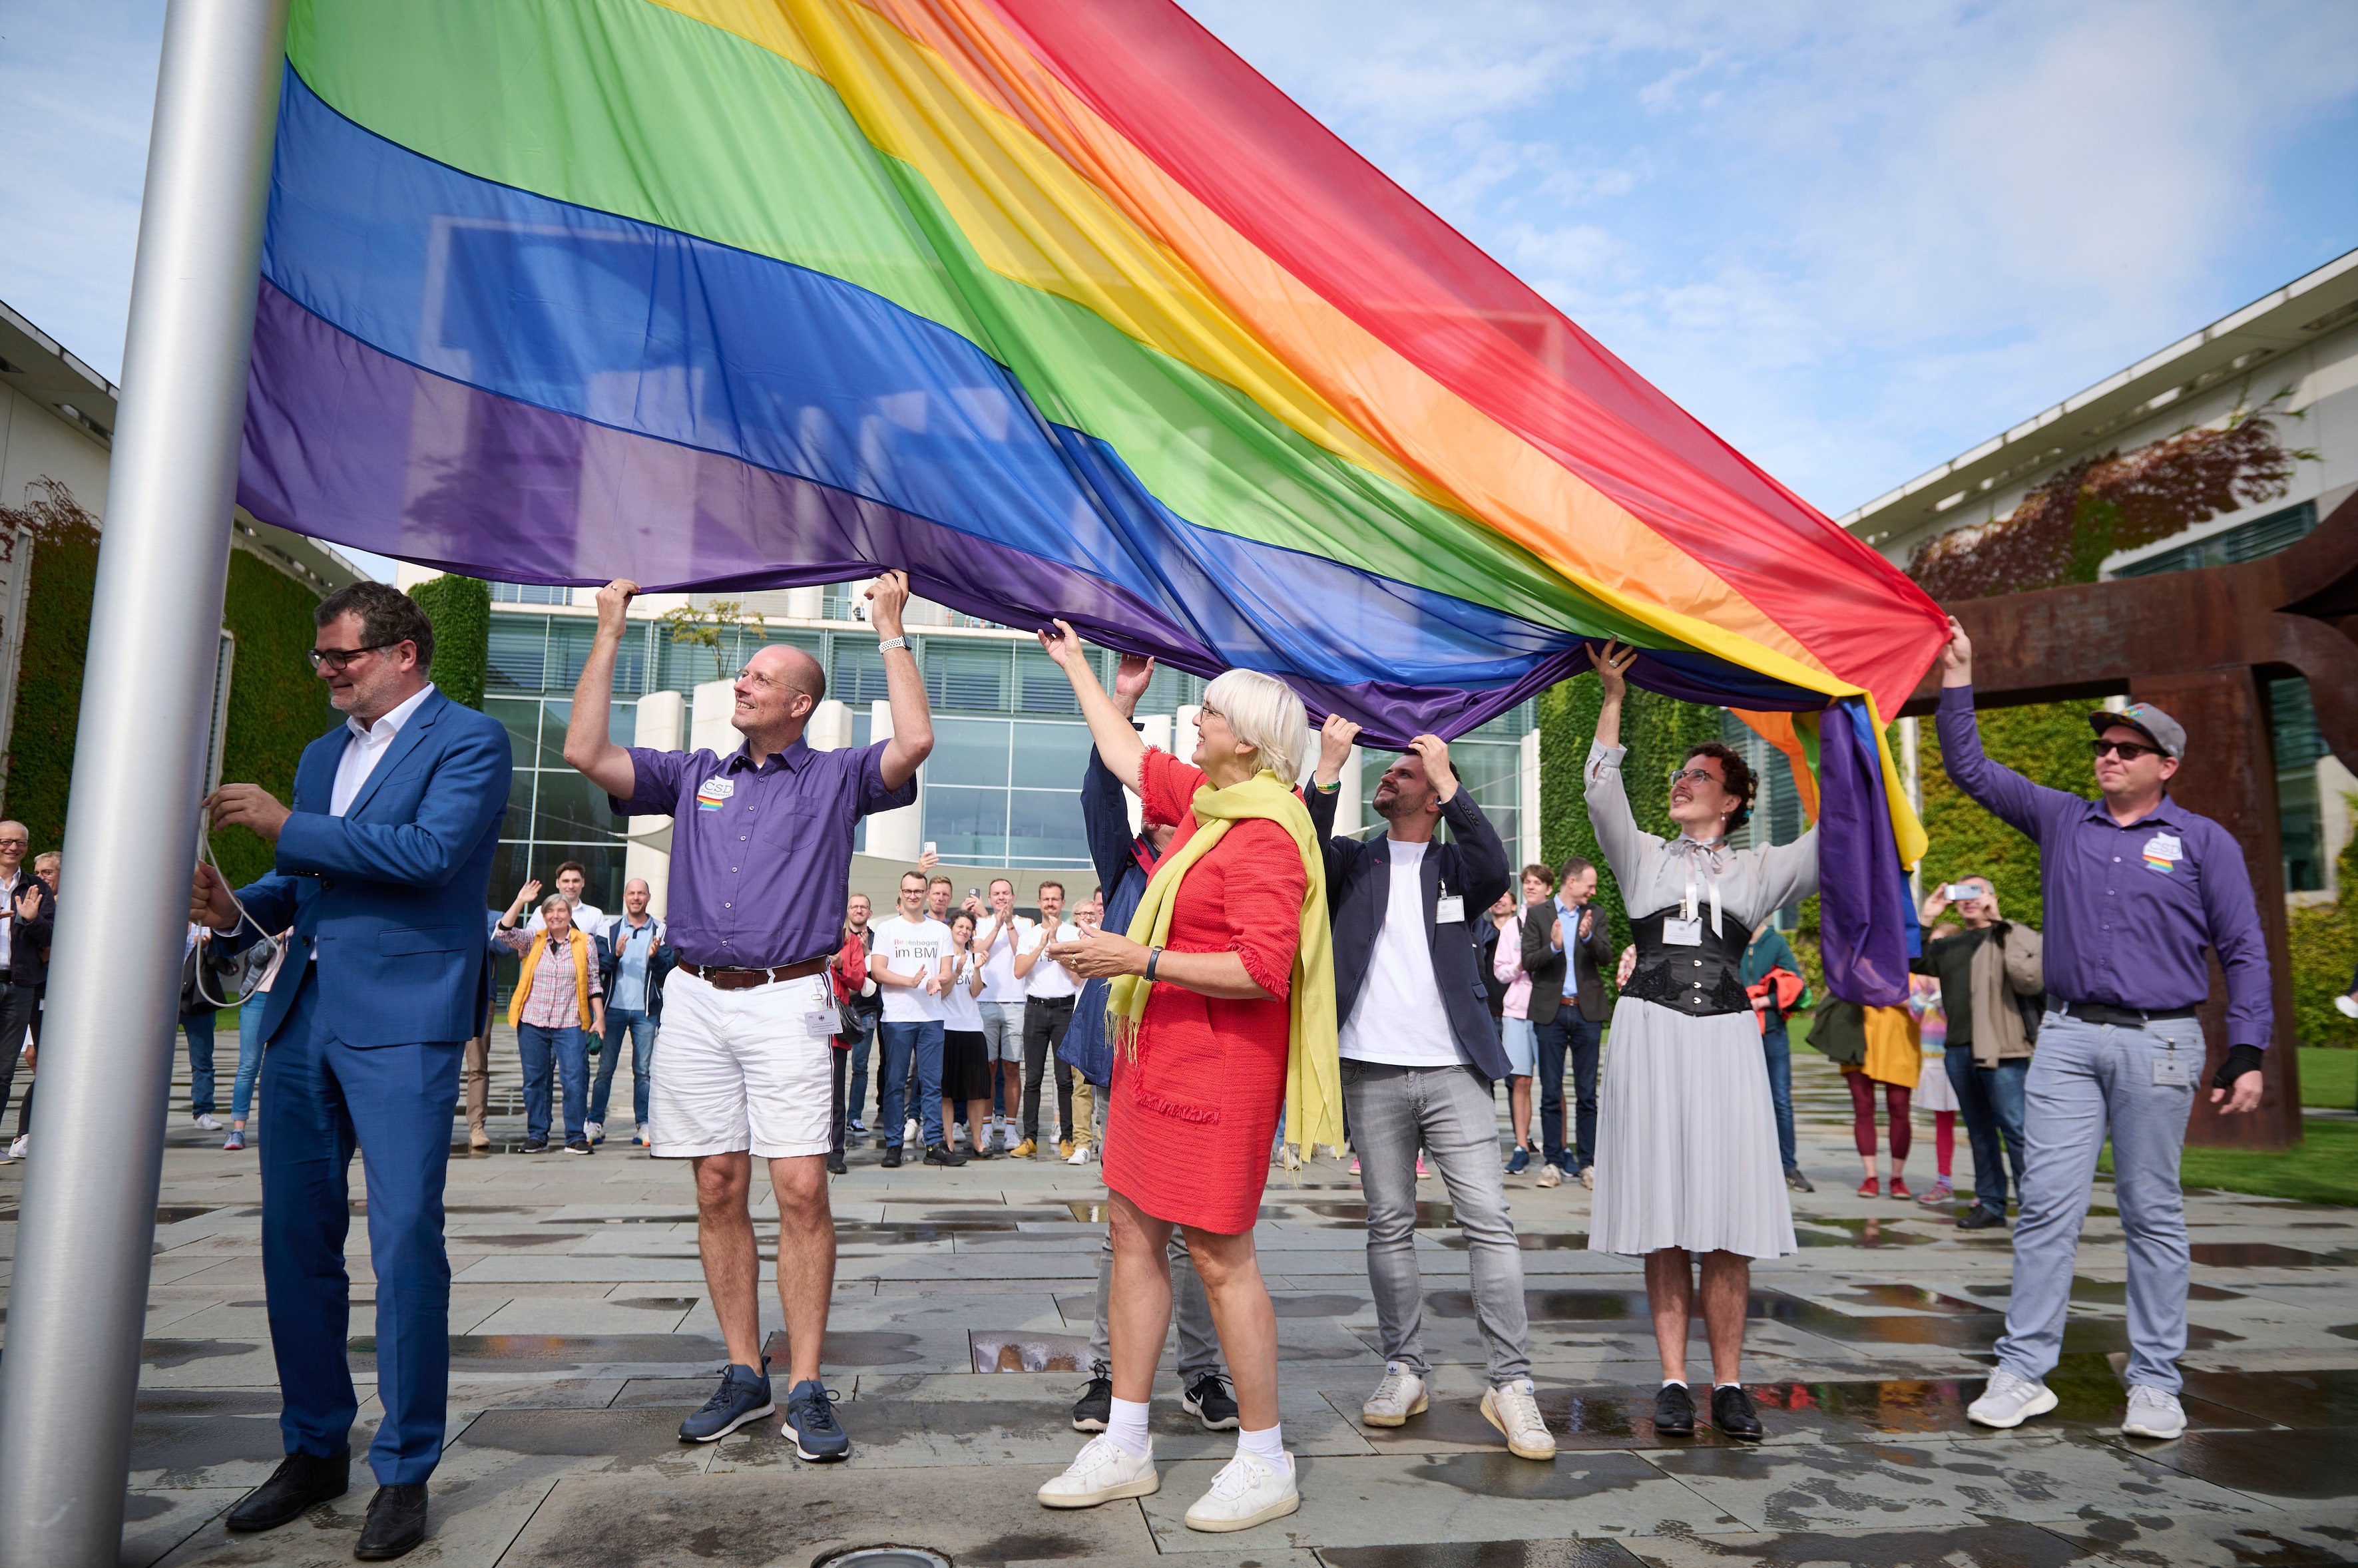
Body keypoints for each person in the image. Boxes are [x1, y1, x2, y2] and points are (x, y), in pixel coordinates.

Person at [563, 570, 930, 1462]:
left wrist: (889, 627)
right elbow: (584, 752)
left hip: (791, 997)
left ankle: (805, 1385)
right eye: (743, 676)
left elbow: (914, 738)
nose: (741, 684)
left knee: (800, 1188)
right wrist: (610, 627)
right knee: (717, 1184)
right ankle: (742, 1372)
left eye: (760, 679)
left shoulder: (837, 778)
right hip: (692, 997)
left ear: (799, 703)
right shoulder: (692, 774)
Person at [190, 579, 511, 1558]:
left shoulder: (470, 740)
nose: (327, 671)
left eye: (343, 656)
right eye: (321, 657)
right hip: (301, 1017)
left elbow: (425, 853)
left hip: (407, 1017)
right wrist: (231, 903)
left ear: (403, 653)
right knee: (294, 1241)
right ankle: (313, 1447)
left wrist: (286, 824)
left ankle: (406, 1470)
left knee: (406, 1241)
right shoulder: (324, 752)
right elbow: (303, 885)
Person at [1031, 621, 1338, 1533]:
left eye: (1208, 713)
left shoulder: (1268, 836)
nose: (1193, 722)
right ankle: (1124, 1441)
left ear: (1247, 739)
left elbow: (1262, 970)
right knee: (1131, 1229)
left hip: (1221, 1069)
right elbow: (1122, 752)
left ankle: (1263, 1456)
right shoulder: (1209, 804)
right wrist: (1077, 667)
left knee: (1219, 1255)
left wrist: (1140, 956)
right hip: (1156, 1055)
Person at [1939, 619, 2269, 1442]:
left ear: (2167, 765)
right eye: (2105, 746)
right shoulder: (2061, 821)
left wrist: (2248, 1048)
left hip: (2161, 1042)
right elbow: (1970, 768)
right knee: (2045, 1207)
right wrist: (1956, 678)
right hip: (2065, 1039)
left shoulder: (2202, 843)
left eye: (2129, 748)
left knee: (2149, 1211)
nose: (2108, 756)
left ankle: (2154, 1383)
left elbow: (2242, 947)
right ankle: (2021, 1371)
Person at [1582, 640, 1816, 1443]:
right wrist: (1611, 696)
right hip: (1648, 1032)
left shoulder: (1757, 869)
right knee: (1664, 1214)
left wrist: (1818, 742)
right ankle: (1674, 1379)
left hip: (1723, 1038)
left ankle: (1730, 1382)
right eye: (1678, 773)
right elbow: (1599, 791)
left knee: (1722, 1217)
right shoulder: (1642, 854)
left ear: (1733, 799)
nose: (1680, 781)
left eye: (1698, 776)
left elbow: (1837, 837)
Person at [1309, 717, 1556, 1463]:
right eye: (1385, 770)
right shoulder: (1352, 861)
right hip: (1370, 1069)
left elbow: (1495, 865)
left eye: (1403, 771)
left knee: (1488, 1220)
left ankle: (1509, 1383)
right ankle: (1403, 1367)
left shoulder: (1457, 867)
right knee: (1388, 1223)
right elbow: (1301, 857)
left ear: (1433, 795)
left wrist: (1449, 777)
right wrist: (1326, 769)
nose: (1388, 775)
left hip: (1452, 1070)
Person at [1063, 652, 1234, 1437]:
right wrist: (1122, 697)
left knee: (1201, 1233)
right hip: (1122, 1058)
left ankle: (1203, 1377)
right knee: (1127, 1229)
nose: (1156, 799)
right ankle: (1105, 1372)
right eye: (1150, 794)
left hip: (1197, 1058)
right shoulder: (1126, 860)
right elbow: (1101, 783)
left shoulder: (1221, 855)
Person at [1911, 876, 2038, 1229]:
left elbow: (2032, 971)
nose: (1969, 901)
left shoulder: (2008, 936)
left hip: (2004, 1048)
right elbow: (1912, 958)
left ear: (1991, 897)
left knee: (2016, 1128)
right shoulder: (1951, 946)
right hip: (1959, 1049)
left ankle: (2036, 1209)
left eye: (1976, 892)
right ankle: (1992, 1204)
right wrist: (1928, 915)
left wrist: (1998, 919)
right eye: (1961, 894)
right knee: (1980, 1130)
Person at [1522, 856, 1614, 1189]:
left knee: (1587, 1093)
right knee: (1550, 1091)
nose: (1593, 891)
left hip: (1587, 1012)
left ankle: (1588, 1163)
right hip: (1551, 1012)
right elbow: (1528, 961)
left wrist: (1589, 939)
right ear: (1571, 882)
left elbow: (1607, 958)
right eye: (1589, 884)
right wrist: (1554, 946)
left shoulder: (1597, 914)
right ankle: (1553, 1163)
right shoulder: (1538, 915)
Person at [497, 895, 607, 1153]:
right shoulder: (533, 938)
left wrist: (599, 1017)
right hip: (533, 1021)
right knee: (535, 1080)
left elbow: (593, 981)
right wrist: (520, 901)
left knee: (574, 1079)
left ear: (570, 914)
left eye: (561, 910)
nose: (555, 915)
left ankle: (574, 1136)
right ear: (544, 916)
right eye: (550, 911)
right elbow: (503, 932)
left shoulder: (585, 942)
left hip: (570, 1022)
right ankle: (537, 1134)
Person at [871, 869, 963, 1168]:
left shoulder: (939, 931)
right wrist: (908, 982)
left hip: (932, 1017)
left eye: (918, 891)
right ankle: (894, 1144)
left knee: (932, 1083)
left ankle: (934, 1143)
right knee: (896, 1082)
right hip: (897, 1018)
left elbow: (947, 970)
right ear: (901, 894)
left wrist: (939, 979)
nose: (913, 895)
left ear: (926, 894)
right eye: (908, 891)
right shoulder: (887, 930)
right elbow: (877, 971)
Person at [591, 879, 670, 1146]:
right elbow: (599, 965)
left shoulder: (661, 930)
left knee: (643, 1071)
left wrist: (656, 957)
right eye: (632, 893)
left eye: (641, 893)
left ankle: (644, 1125)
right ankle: (595, 1123)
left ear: (649, 897)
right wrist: (616, 954)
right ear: (625, 896)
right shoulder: (610, 929)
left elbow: (668, 971)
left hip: (645, 1012)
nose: (636, 897)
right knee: (605, 1070)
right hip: (612, 1009)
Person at [1738, 918, 1812, 1192]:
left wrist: (1761, 1000)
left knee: (1780, 1099)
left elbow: (1796, 986)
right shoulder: (1731, 940)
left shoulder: (1776, 942)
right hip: (1738, 1032)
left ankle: (1787, 1166)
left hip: (1772, 1032)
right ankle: (1746, 1166)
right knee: (1741, 1101)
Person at [1492, 869, 1554, 1173]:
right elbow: (1500, 972)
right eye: (1527, 882)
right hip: (1517, 1010)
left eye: (1537, 883)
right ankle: (1521, 1145)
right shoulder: (1512, 929)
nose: (1530, 886)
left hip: (1548, 1010)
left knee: (1552, 1084)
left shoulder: (1556, 923)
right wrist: (1522, 962)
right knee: (1521, 1081)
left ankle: (1557, 1149)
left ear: (1549, 889)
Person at [1015, 881, 1081, 1159]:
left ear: (1063, 903)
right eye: (1046, 899)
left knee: (1064, 1079)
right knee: (1033, 1078)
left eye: (1055, 899)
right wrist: (1041, 942)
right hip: (1035, 1010)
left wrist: (1055, 945)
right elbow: (1019, 971)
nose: (1050, 904)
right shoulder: (1029, 936)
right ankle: (1030, 1137)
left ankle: (1067, 1137)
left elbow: (1078, 976)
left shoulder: (1072, 934)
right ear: (1039, 902)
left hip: (1064, 1010)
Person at [972, 878, 1033, 1153]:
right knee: (987, 1067)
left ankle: (1010, 1127)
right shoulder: (979, 923)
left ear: (1013, 896)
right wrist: (996, 923)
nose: (1001, 898)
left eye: (1005, 893)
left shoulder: (1025, 923)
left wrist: (1008, 923)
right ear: (989, 897)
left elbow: (1023, 951)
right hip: (985, 1001)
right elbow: (979, 949)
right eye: (996, 894)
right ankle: (985, 1126)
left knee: (1011, 1067)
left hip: (1016, 1002)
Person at [223, 930, 293, 1153]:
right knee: (248, 1066)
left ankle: (283, 1126)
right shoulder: (268, 924)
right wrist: (280, 936)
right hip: (258, 998)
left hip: (288, 998)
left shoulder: (304, 924)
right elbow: (255, 956)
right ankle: (238, 1129)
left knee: (284, 1067)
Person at [0, 823, 48, 1138]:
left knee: (3, 1072)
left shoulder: (36, 888)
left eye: (20, 842)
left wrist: (32, 920)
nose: (13, 848)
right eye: (6, 841)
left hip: (19, 986)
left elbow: (52, 936)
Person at [939, 910, 994, 1155]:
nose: (963, 931)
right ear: (950, 928)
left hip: (972, 1028)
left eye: (968, 928)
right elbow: (941, 993)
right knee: (946, 1090)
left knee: (977, 1090)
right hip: (947, 1028)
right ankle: (948, 1140)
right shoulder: (942, 959)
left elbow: (974, 992)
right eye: (959, 926)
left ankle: (977, 1141)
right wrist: (957, 971)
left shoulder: (976, 958)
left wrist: (977, 968)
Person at [839, 893, 880, 1135]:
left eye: (863, 907)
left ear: (869, 912)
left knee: (861, 1067)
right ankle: (834, 1117)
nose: (858, 910)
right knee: (835, 1068)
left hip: (866, 1012)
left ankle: (854, 1117)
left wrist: (866, 952)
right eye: (854, 906)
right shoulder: (838, 938)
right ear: (848, 911)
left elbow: (875, 978)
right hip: (839, 1008)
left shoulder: (878, 939)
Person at [525, 860, 605, 939]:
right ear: (557, 883)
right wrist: (520, 901)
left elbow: (603, 948)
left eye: (575, 881)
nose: (571, 886)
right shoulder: (541, 912)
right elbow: (527, 942)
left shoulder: (595, 914)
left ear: (583, 883)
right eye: (566, 881)